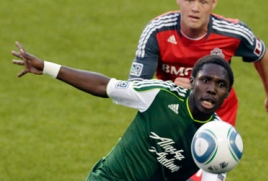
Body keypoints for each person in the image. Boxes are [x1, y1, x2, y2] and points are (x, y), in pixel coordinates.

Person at [128, 0, 268, 181]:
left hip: (216, 123)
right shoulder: (157, 31)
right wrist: (171, 88)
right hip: (171, 118)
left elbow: (262, 55)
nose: (195, 8)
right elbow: (135, 87)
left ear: (214, 3)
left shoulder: (233, 33)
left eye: (203, 2)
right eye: (189, 0)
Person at [12, 41, 234, 181]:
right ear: (192, 81)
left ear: (227, 93)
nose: (211, 89)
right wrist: (47, 67)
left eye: (220, 85)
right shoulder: (161, 95)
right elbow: (105, 86)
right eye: (205, 80)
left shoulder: (218, 138)